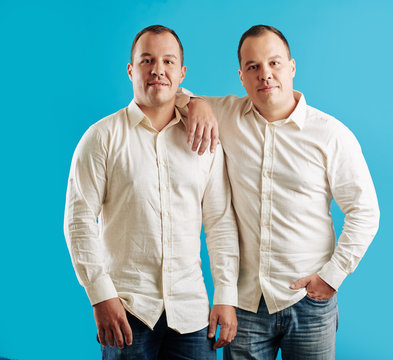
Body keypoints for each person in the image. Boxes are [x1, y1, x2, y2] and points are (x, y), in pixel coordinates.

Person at [180, 25, 380, 359]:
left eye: (274, 63)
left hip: (309, 302)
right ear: (241, 76)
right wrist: (196, 103)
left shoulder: (331, 134)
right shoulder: (226, 114)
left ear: (291, 67)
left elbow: (365, 211)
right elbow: (169, 91)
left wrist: (332, 276)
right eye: (254, 67)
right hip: (245, 305)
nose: (265, 75)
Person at [64, 25, 239, 360]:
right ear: (131, 70)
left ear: (182, 72)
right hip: (127, 311)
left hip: (192, 315)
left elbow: (219, 222)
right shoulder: (102, 137)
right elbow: (79, 220)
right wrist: (100, 296)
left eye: (168, 61)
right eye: (147, 60)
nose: (158, 69)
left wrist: (226, 296)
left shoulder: (204, 140)